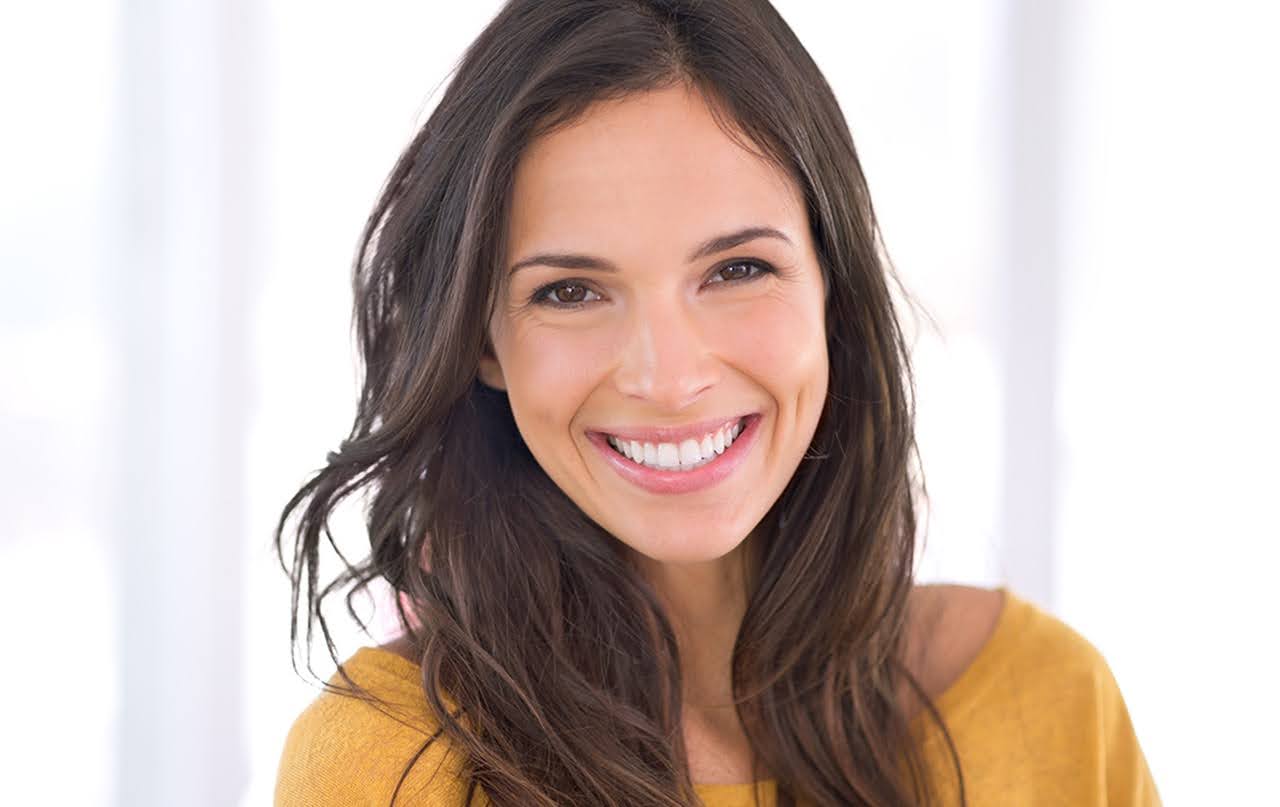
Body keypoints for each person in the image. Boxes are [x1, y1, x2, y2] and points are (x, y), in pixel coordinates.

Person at [273, 1, 1161, 805]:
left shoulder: (1050, 702)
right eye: (571, 291)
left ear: (831, 288)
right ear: (480, 341)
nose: (668, 378)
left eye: (737, 270)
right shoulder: (385, 766)